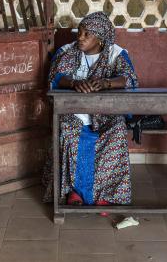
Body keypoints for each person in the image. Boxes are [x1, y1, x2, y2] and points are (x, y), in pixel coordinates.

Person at [43, 12, 138, 205]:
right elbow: (56, 78)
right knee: (68, 131)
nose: (80, 37)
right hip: (73, 113)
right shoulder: (68, 52)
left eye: (87, 34)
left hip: (104, 114)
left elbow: (129, 78)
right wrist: (73, 83)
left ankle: (104, 195)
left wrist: (106, 83)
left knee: (116, 130)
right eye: (79, 32)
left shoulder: (115, 54)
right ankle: (73, 193)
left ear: (100, 39)